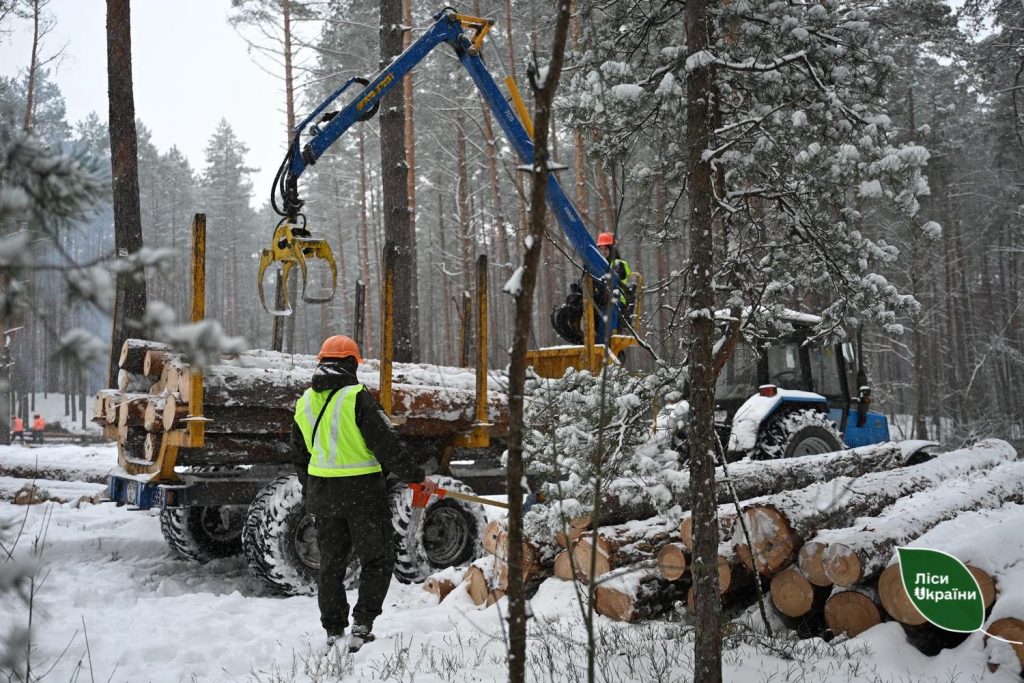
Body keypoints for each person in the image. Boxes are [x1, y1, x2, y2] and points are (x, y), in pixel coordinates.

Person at [290, 334, 437, 654]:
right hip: (363, 494)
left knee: (331, 564)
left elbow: (299, 456)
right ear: (350, 364)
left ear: (321, 363)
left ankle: (333, 630)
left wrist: (312, 487)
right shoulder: (356, 397)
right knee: (378, 559)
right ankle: (362, 626)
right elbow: (387, 444)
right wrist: (416, 476)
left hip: (323, 494)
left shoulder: (304, 402)